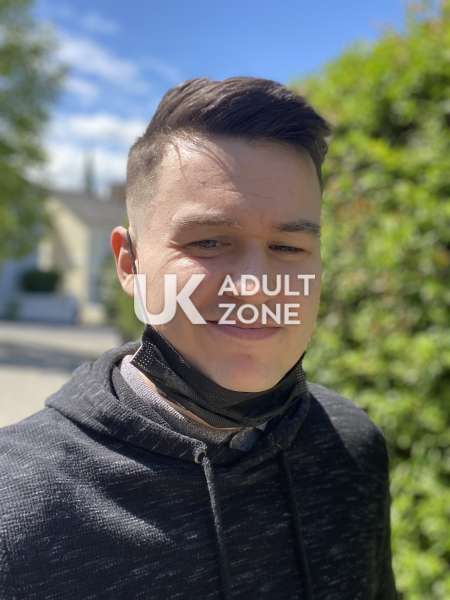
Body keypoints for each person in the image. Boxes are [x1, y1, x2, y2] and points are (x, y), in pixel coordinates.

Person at [0, 77, 398, 599]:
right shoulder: (15, 507)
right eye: (209, 242)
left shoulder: (351, 447)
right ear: (130, 263)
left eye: (288, 247)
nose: (255, 287)